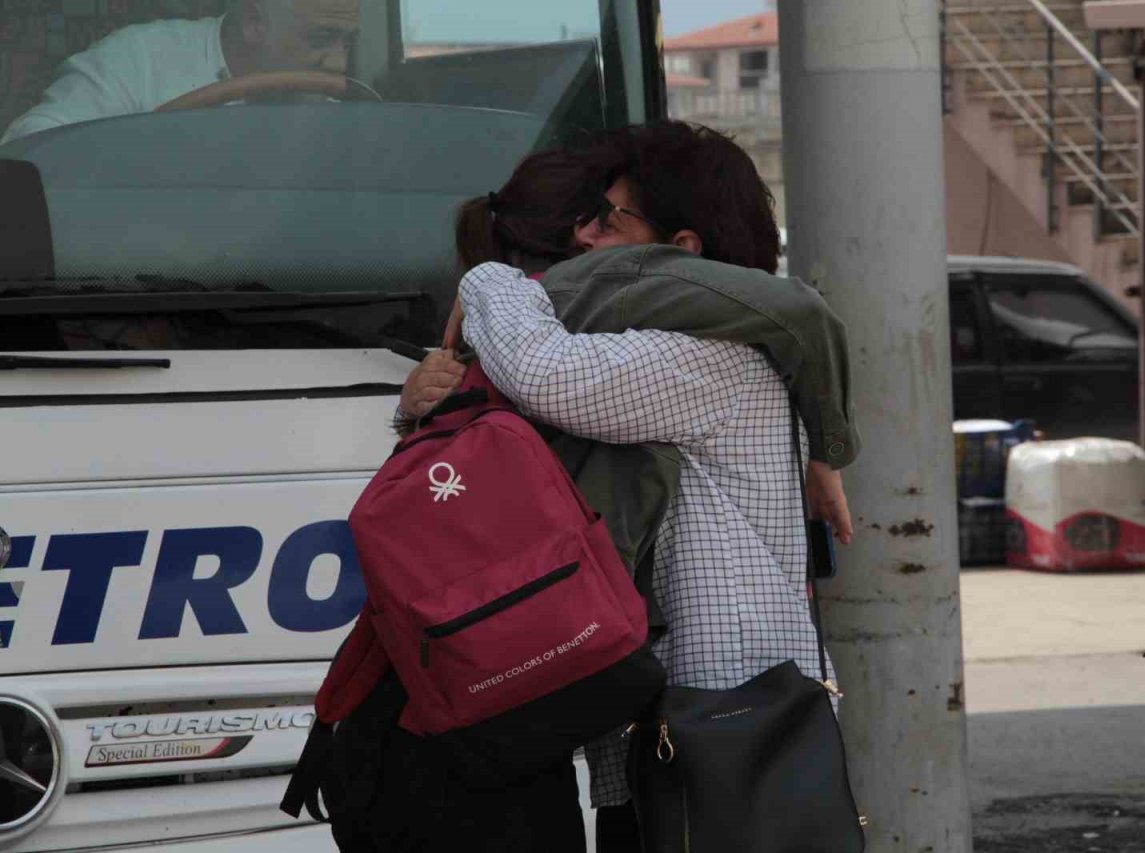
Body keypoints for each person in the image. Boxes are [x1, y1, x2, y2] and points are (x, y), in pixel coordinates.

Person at [405, 121, 855, 852]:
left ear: (680, 252)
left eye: (610, 220)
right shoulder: (689, 350)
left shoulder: (708, 357)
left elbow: (545, 374)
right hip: (690, 730)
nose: (584, 238)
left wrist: (489, 278)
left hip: (722, 729)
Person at [1, 0, 359, 144]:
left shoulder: (330, 106)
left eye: (347, 42)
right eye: (322, 39)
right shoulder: (139, 59)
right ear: (253, 24)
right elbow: (32, 146)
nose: (338, 64)